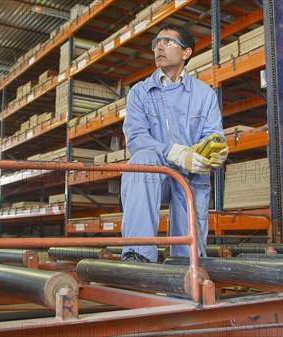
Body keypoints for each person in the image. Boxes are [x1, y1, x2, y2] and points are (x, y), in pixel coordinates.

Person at [121, 23, 228, 263]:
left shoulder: (204, 94)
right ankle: (138, 254)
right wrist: (174, 153)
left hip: (191, 177)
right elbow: (136, 138)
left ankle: (183, 274)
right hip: (154, 174)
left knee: (188, 257)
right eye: (156, 43)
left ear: (186, 52)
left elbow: (213, 135)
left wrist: (217, 153)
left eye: (168, 42)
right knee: (142, 160)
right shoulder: (140, 92)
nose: (159, 46)